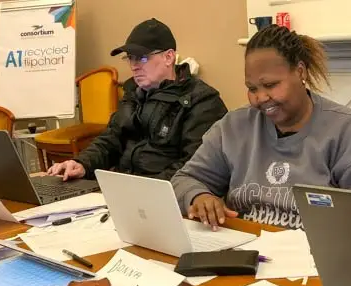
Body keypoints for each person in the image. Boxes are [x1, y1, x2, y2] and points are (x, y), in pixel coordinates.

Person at [172, 25, 351, 231]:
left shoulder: (345, 129)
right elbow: (183, 180)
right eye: (252, 88)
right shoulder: (233, 127)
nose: (260, 98)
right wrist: (198, 196)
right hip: (244, 253)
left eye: (270, 85)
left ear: (301, 72)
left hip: (313, 260)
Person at [47, 18, 228, 181]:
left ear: (169, 57)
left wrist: (141, 189)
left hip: (168, 196)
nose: (134, 66)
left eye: (142, 58)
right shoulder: (133, 93)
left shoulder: (202, 101)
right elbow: (111, 140)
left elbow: (194, 166)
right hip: (122, 190)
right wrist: (82, 164)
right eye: (130, 58)